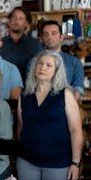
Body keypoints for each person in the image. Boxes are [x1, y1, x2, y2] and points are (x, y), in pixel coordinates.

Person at [17, 50, 83, 180]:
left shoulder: (66, 95)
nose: (43, 68)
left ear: (56, 71)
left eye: (49, 65)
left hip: (58, 164)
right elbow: (21, 127)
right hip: (26, 162)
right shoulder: (24, 96)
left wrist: (76, 163)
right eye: (40, 64)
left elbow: (76, 131)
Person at [41, 20, 84, 100]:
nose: (49, 37)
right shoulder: (35, 62)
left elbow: (78, 90)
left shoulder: (74, 62)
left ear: (61, 37)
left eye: (53, 33)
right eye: (46, 34)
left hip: (65, 108)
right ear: (42, 38)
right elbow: (31, 88)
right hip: (40, 109)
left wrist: (63, 107)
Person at [0, 6, 43, 82]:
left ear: (26, 23)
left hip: (27, 90)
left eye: (20, 18)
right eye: (14, 17)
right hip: (4, 89)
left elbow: (40, 68)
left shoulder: (35, 45)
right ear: (9, 21)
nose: (16, 21)